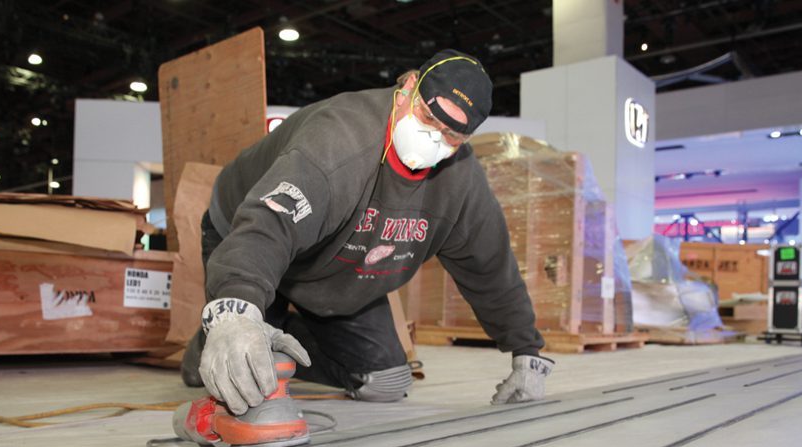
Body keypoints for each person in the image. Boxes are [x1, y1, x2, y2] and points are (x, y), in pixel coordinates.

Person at [184, 49, 554, 415]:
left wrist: (526, 353)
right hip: (249, 227)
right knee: (230, 372)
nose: (433, 138)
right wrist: (236, 310)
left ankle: (275, 328)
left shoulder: (460, 183)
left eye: (451, 135)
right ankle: (226, 329)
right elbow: (269, 225)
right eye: (428, 116)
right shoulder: (340, 140)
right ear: (409, 87)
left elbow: (490, 267)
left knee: (386, 381)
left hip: (332, 268)